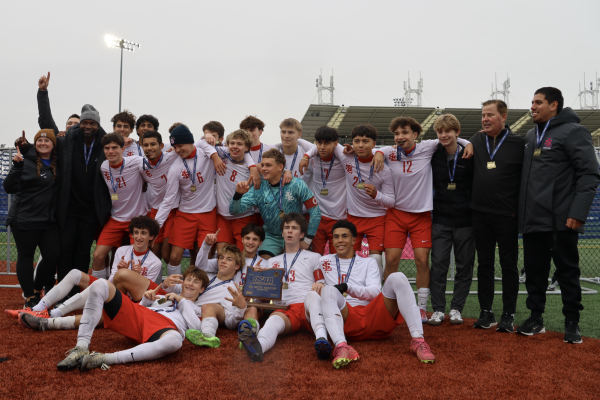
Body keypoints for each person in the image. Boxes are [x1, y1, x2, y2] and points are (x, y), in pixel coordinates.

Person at [517, 87, 600, 343]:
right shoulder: (531, 134)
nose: (532, 106)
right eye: (532, 102)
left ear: (554, 105)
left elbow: (589, 174)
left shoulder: (574, 131)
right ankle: (536, 318)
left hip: (561, 221)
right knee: (534, 272)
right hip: (533, 220)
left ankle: (572, 322)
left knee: (567, 273)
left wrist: (578, 212)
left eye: (538, 102)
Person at [371, 117, 472, 322]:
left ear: (415, 135)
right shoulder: (389, 152)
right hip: (396, 214)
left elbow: (453, 138)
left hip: (422, 216)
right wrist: (380, 151)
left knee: (422, 261)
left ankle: (421, 308)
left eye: (405, 133)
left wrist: (468, 143)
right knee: (390, 260)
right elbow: (371, 150)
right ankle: (387, 306)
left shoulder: (428, 147)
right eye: (397, 134)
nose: (400, 137)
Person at [37, 268, 207, 371]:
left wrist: (181, 300)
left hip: (165, 329)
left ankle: (104, 358)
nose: (190, 283)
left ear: (202, 289)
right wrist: (147, 299)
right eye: (188, 279)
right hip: (140, 316)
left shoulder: (198, 308)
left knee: (175, 341)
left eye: (196, 282)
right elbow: (141, 309)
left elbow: (197, 328)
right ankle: (80, 347)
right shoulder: (165, 296)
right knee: (101, 284)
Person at [317, 220, 434, 367]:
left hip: (373, 316)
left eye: (344, 236)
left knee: (397, 277)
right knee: (328, 290)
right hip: (346, 317)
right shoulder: (322, 261)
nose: (340, 240)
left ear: (354, 240)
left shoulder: (369, 262)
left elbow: (374, 293)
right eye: (336, 237)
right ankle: (341, 347)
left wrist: (348, 287)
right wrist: (319, 283)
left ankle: (418, 341)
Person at [6, 216, 164, 322]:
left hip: (126, 304)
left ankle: (53, 313)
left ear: (151, 237)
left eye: (144, 233)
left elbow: (144, 298)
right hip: (110, 290)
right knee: (75, 273)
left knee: (102, 285)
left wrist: (133, 276)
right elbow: (111, 281)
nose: (139, 237)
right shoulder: (123, 251)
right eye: (136, 232)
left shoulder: (155, 262)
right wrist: (118, 273)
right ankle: (40, 308)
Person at [302, 124, 394, 278]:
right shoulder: (347, 157)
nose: (360, 145)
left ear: (373, 143)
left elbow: (391, 201)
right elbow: (320, 144)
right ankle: (346, 288)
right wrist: (306, 156)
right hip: (352, 217)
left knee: (376, 259)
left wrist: (376, 194)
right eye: (356, 141)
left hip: (377, 218)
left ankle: (375, 293)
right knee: (345, 257)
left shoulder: (384, 169)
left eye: (365, 141)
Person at [237, 213, 325, 363]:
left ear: (302, 234)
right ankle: (258, 347)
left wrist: (320, 284)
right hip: (286, 307)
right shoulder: (271, 262)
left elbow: (322, 283)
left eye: (294, 228)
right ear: (282, 233)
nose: (290, 231)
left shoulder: (315, 257)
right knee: (273, 320)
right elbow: (266, 294)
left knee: (314, 298)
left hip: (309, 306)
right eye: (287, 228)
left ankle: (322, 340)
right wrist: (258, 279)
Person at [469, 100, 524, 332]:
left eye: (490, 115)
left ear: (503, 116)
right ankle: (486, 312)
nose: (485, 119)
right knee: (484, 265)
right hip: (480, 214)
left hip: (507, 215)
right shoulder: (475, 140)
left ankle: (508, 314)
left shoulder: (519, 143)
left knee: (509, 265)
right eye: (483, 115)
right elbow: (450, 142)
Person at [154, 125, 223, 275]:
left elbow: (204, 142)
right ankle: (175, 290)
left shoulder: (206, 153)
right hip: (185, 214)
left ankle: (200, 291)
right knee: (174, 256)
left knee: (203, 256)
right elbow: (168, 200)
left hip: (207, 213)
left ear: (190, 142)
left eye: (180, 145)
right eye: (175, 147)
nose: (178, 150)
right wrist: (156, 225)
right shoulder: (175, 167)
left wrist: (215, 155)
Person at [3, 130, 60, 309]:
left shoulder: (58, 163)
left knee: (53, 256)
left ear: (53, 144)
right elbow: (9, 187)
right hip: (25, 219)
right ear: (35, 144)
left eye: (47, 140)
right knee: (26, 257)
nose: (43, 143)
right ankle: (29, 297)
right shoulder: (25, 162)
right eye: (39, 140)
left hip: (48, 220)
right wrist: (17, 167)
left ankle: (36, 289)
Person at [427, 114, 475, 326]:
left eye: (448, 131)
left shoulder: (470, 154)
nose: (444, 135)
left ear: (457, 132)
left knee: (465, 266)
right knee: (438, 266)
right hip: (440, 218)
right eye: (440, 131)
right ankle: (438, 309)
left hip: (466, 219)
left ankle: (456, 308)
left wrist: (469, 143)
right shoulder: (432, 152)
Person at [230, 149, 321, 259]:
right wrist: (238, 194)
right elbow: (234, 211)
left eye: (268, 165)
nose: (263, 169)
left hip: (295, 235)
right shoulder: (258, 188)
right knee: (265, 266)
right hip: (272, 236)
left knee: (298, 267)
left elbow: (315, 211)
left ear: (280, 167)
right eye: (262, 165)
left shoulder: (297, 184)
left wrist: (307, 240)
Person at [90, 134, 149, 279]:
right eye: (107, 148)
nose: (111, 151)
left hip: (137, 219)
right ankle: (100, 290)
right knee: (98, 256)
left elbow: (156, 167)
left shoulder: (136, 162)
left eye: (115, 147)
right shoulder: (104, 167)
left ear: (123, 149)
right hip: (115, 218)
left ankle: (134, 294)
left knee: (135, 261)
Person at [184, 231, 250, 348]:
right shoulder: (207, 276)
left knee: (207, 306)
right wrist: (206, 244)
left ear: (237, 266)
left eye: (229, 259)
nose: (223, 261)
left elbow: (230, 322)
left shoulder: (231, 289)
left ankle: (207, 337)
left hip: (199, 317)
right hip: (184, 308)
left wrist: (241, 308)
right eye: (221, 258)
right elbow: (200, 265)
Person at [297, 126, 346, 255]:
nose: (322, 147)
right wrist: (306, 156)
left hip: (338, 218)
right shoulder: (313, 157)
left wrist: (380, 152)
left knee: (337, 258)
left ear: (336, 144)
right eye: (319, 143)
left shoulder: (344, 159)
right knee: (316, 257)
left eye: (327, 143)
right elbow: (298, 139)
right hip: (317, 217)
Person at [36, 71, 79, 137]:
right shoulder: (58, 139)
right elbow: (46, 120)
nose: (72, 125)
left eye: (76, 123)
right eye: (69, 123)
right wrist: (42, 92)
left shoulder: (88, 142)